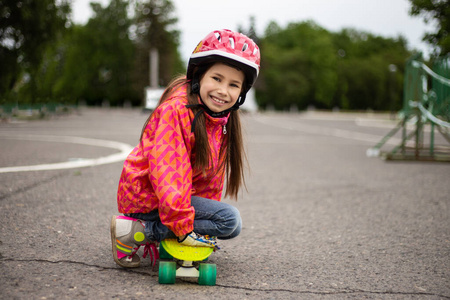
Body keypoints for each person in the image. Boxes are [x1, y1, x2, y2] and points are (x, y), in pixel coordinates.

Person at [110, 29, 260, 268]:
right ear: (199, 76)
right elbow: (170, 174)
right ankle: (138, 230)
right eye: (217, 79)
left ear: (242, 92)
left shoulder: (219, 118)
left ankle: (160, 230)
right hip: (148, 199)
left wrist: (199, 235)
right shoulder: (176, 111)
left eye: (234, 85)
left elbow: (210, 180)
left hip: (168, 200)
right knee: (229, 220)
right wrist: (183, 228)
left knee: (227, 222)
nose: (223, 91)